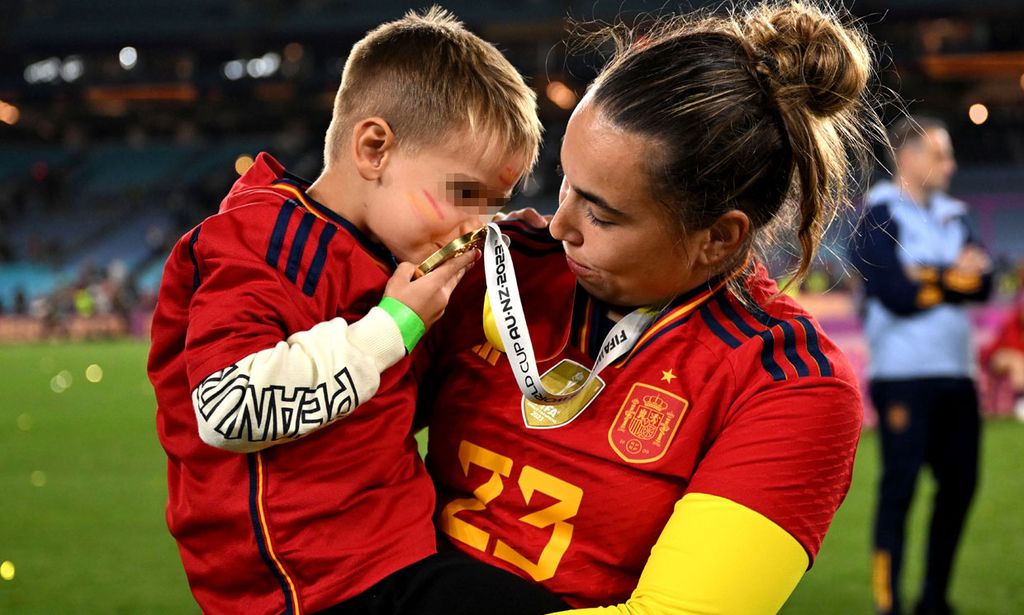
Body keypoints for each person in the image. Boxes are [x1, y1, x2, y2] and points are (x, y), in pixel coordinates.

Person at [416, 1, 883, 612]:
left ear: (719, 236)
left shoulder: (790, 386)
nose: (558, 225)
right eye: (565, 183)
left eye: (602, 214)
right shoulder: (495, 269)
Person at [148, 8, 567, 615]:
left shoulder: (385, 252)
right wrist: (394, 326)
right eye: (465, 195)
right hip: (313, 584)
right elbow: (227, 409)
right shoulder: (258, 240)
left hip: (394, 552)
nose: (478, 226)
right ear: (375, 148)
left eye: (493, 204)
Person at [850, 116, 993, 615]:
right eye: (939, 155)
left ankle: (934, 599)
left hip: (958, 374)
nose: (951, 165)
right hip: (903, 376)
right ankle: (888, 605)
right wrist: (953, 277)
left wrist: (931, 278)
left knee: (960, 487)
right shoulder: (879, 214)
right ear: (907, 158)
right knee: (901, 488)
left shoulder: (956, 214)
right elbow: (896, 294)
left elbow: (987, 283)